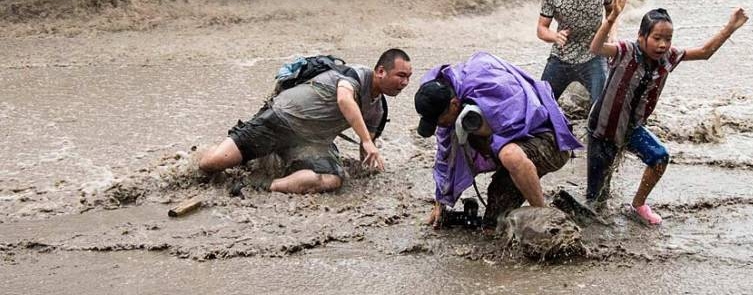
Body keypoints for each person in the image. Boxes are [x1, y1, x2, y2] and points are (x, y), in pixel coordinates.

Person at [586, 0, 749, 224]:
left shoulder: (669, 57)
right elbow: (596, 47)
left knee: (659, 157)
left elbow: (704, 52)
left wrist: (729, 28)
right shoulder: (625, 51)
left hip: (632, 129)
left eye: (668, 39)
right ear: (641, 37)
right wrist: (611, 18)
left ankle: (638, 205)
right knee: (596, 200)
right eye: (657, 38)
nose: (663, 44)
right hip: (603, 130)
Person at [199, 48, 412, 194]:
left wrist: (372, 172)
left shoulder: (379, 109)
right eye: (400, 75)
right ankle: (200, 155)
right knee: (211, 164)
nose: (404, 83)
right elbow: (344, 99)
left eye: (408, 77)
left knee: (332, 179)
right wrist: (365, 140)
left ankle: (263, 184)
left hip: (309, 143)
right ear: (381, 71)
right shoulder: (356, 75)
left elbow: (368, 153)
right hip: (279, 120)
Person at [414, 52, 583, 227]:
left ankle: (546, 219)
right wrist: (440, 203)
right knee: (493, 226)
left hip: (549, 140)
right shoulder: (448, 112)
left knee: (509, 155)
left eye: (439, 120)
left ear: (454, 104)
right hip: (514, 155)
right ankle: (564, 207)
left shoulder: (491, 85)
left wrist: (489, 129)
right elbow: (445, 158)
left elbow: (530, 116)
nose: (440, 126)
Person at [537, 0, 614, 105]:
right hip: (562, 56)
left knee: (601, 107)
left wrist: (611, 34)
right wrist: (555, 36)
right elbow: (541, 29)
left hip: (594, 54)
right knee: (541, 103)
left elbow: (612, 11)